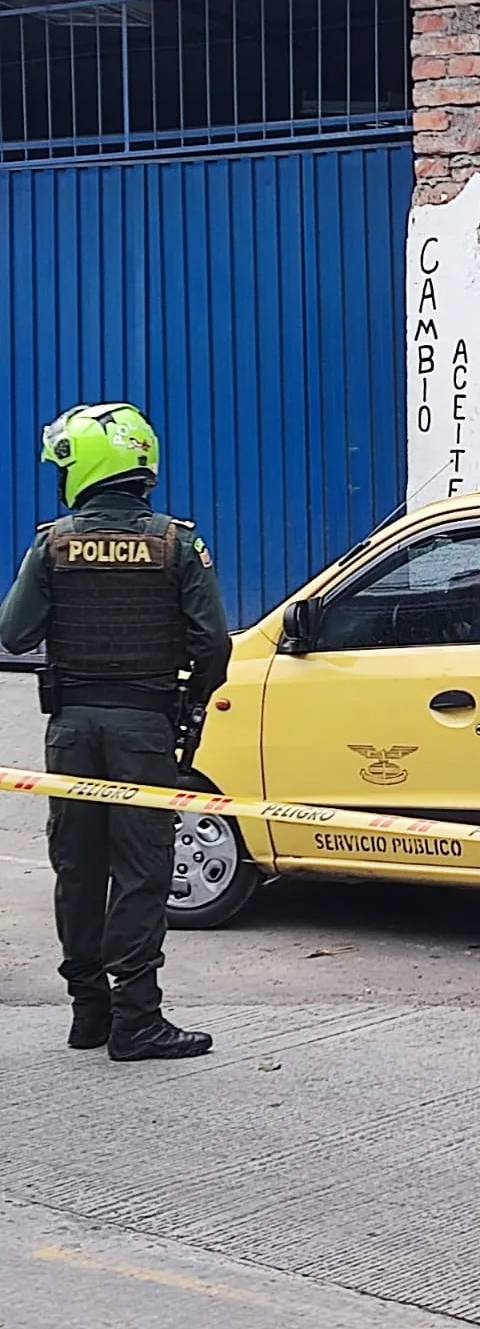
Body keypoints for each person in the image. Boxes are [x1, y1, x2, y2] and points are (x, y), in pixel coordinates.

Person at [0, 403, 231, 1061]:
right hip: (144, 729)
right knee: (140, 868)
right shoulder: (176, 543)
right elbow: (212, 644)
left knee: (78, 866)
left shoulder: (53, 544)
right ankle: (138, 1017)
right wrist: (189, 706)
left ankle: (89, 1012)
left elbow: (14, 634)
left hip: (71, 729)